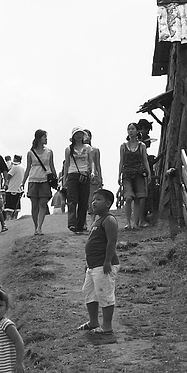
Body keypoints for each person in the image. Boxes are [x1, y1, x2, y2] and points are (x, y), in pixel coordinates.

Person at [76, 188, 120, 335]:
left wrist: (107, 261)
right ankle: (93, 321)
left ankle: (107, 326)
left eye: (98, 200)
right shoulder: (97, 220)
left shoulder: (109, 220)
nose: (94, 202)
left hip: (103, 265)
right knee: (89, 292)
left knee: (104, 294)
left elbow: (111, 242)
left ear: (108, 203)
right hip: (93, 266)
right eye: (93, 199)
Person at [22, 129, 57, 235]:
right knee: (34, 205)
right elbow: (28, 168)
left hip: (45, 180)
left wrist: (55, 179)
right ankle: (36, 226)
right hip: (33, 179)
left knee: (43, 203)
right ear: (38, 138)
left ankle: (40, 227)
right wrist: (23, 182)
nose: (46, 139)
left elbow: (52, 166)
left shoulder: (49, 152)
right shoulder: (30, 152)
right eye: (44, 137)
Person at [63, 127, 97, 233]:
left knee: (83, 201)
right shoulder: (69, 149)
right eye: (77, 134)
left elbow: (91, 161)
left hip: (84, 174)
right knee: (72, 200)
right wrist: (65, 178)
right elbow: (67, 164)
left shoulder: (87, 148)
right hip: (73, 174)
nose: (79, 136)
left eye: (81, 134)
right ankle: (72, 223)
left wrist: (92, 172)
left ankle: (80, 225)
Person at [118, 123, 152, 230]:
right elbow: (121, 161)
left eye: (132, 129)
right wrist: (119, 175)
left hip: (138, 173)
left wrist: (149, 173)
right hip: (127, 173)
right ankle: (128, 222)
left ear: (137, 131)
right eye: (129, 129)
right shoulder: (123, 146)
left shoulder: (141, 146)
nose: (130, 131)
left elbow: (145, 160)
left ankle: (135, 222)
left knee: (138, 198)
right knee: (128, 197)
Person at [84, 129, 103, 227]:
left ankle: (92, 221)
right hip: (82, 174)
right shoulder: (78, 150)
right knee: (83, 198)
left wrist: (100, 176)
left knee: (92, 198)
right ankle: (83, 221)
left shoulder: (95, 150)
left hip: (93, 175)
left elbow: (98, 164)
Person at [3, 155, 25, 221]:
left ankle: (9, 221)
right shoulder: (22, 168)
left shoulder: (15, 167)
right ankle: (14, 220)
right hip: (19, 190)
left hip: (11, 189)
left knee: (9, 209)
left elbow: (8, 176)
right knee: (16, 209)